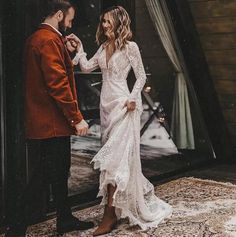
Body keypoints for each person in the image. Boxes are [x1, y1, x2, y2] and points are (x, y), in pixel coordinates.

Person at [67, 5, 172, 236]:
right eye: (102, 21)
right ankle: (114, 209)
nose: (103, 25)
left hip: (124, 107)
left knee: (114, 161)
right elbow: (85, 67)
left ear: (118, 23)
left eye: (107, 21)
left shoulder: (130, 47)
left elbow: (141, 75)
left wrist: (134, 98)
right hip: (107, 108)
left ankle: (109, 214)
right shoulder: (104, 46)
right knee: (112, 160)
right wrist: (81, 49)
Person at [5, 1, 94, 236]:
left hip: (45, 122)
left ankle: (63, 219)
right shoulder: (48, 40)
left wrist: (65, 49)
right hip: (52, 123)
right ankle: (16, 229)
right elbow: (58, 84)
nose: (70, 24)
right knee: (43, 176)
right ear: (58, 14)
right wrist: (76, 118)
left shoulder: (41, 38)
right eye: (69, 20)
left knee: (56, 172)